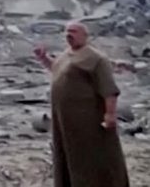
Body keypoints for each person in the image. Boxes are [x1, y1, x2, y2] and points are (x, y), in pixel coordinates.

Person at [33, 21, 130, 187]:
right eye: (67, 32)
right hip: (64, 120)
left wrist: (110, 113)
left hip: (87, 119)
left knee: (89, 156)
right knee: (67, 154)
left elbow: (109, 89)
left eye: (73, 31)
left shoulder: (96, 58)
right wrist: (43, 58)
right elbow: (56, 69)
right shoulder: (67, 54)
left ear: (85, 36)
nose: (68, 35)